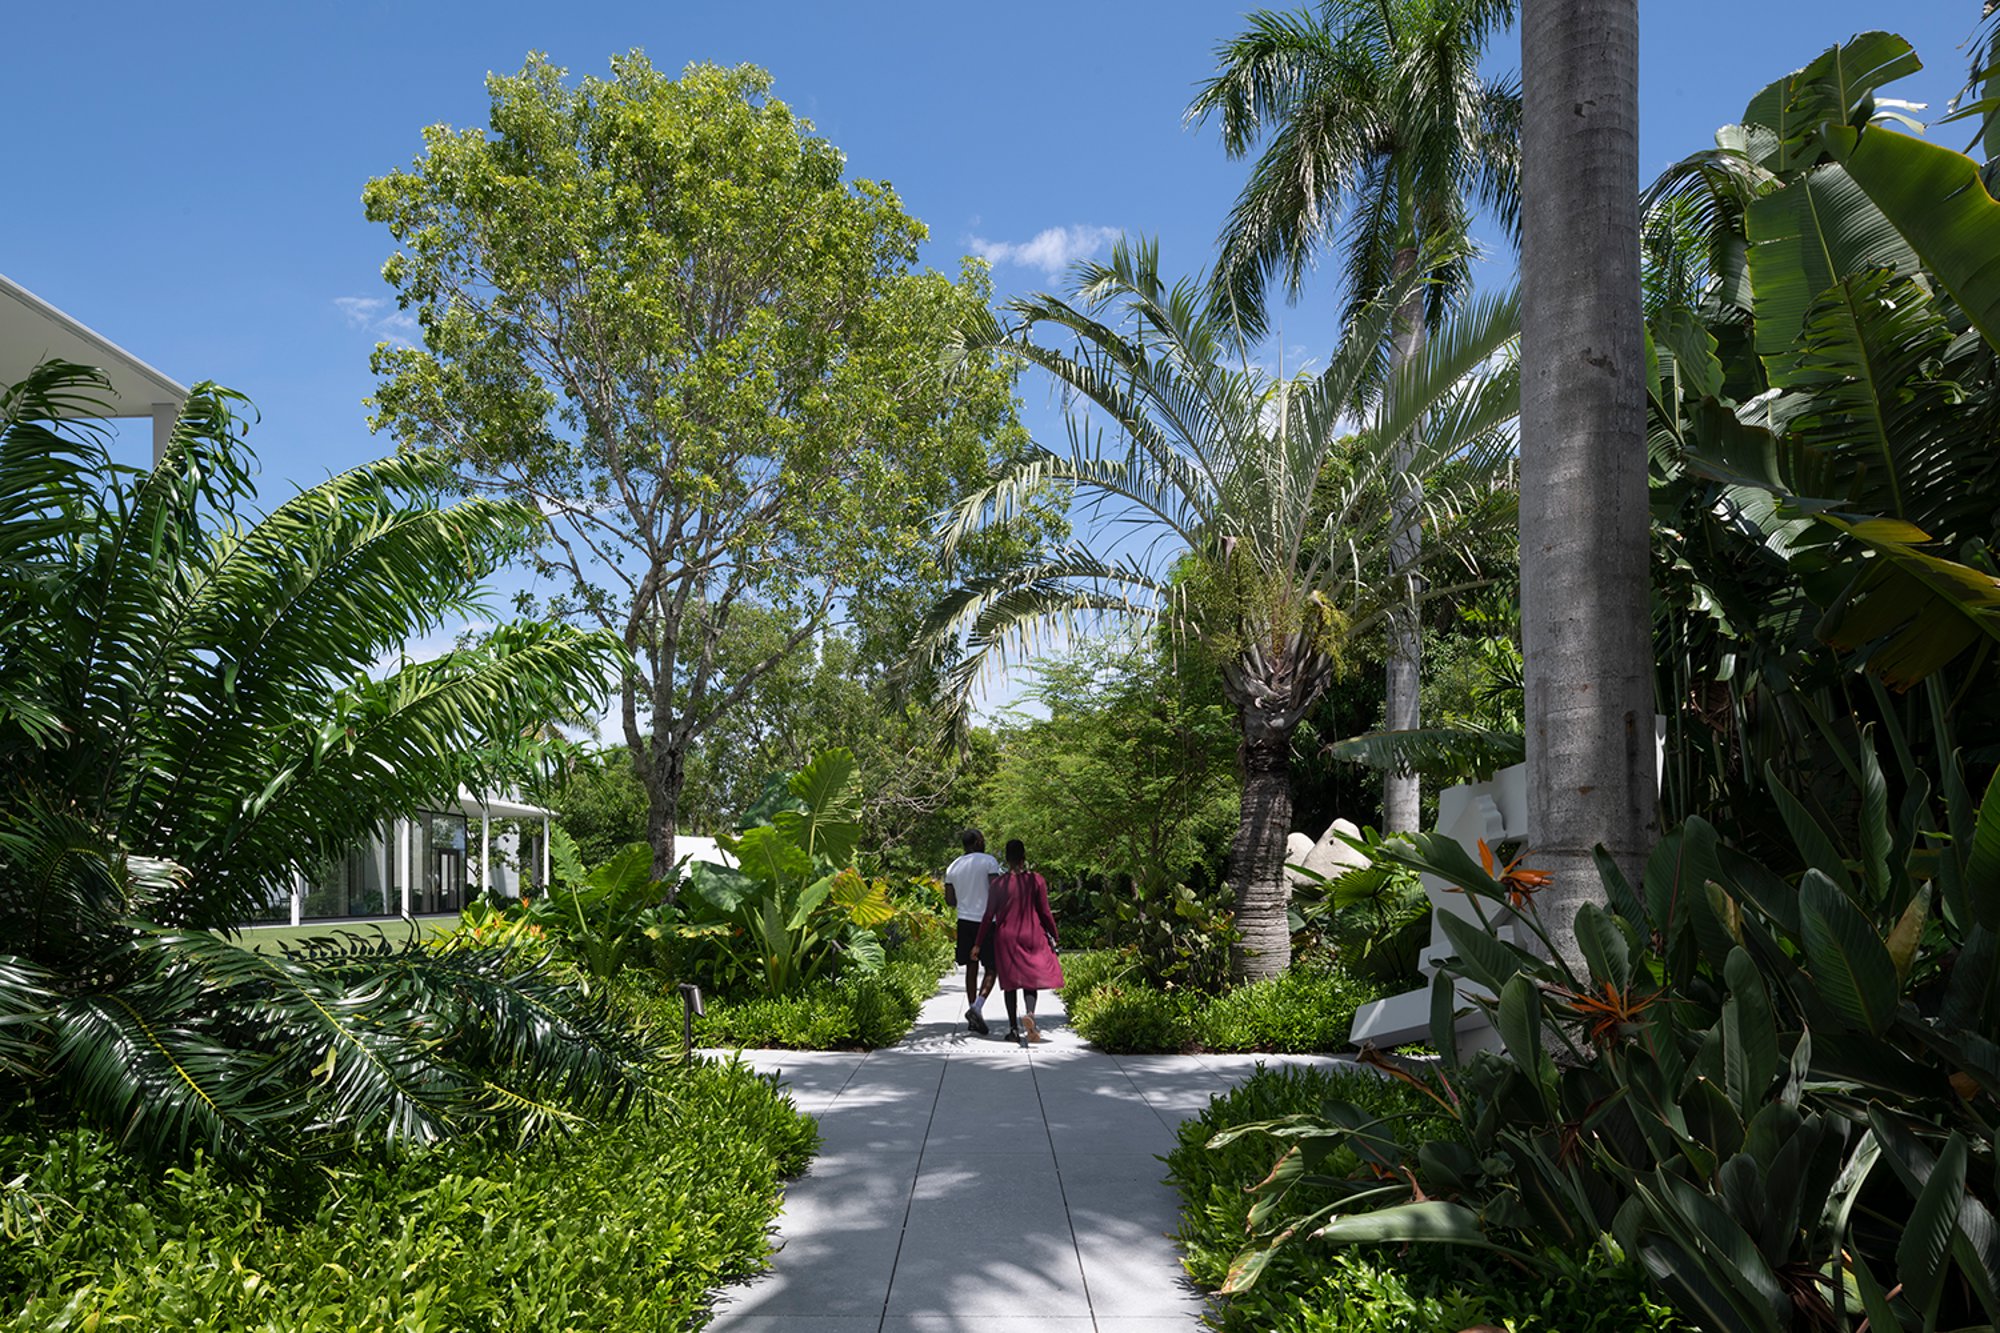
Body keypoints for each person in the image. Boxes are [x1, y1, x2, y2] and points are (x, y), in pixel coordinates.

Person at [972, 839, 1063, 1044]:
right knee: (1030, 979)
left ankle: (1013, 1030)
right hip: (1032, 934)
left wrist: (977, 943)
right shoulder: (1036, 880)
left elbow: (988, 916)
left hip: (1006, 937)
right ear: (1024, 857)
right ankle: (1030, 1014)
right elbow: (1045, 912)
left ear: (1006, 858)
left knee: (1010, 983)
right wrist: (1054, 935)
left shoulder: (998, 884)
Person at [943, 828, 1002, 1033]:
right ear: (977, 842)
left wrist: (966, 897)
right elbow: (996, 891)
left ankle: (972, 1011)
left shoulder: (953, 866)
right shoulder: (989, 861)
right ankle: (977, 1007)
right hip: (986, 921)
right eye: (982, 839)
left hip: (964, 920)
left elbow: (950, 900)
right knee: (992, 968)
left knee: (971, 966)